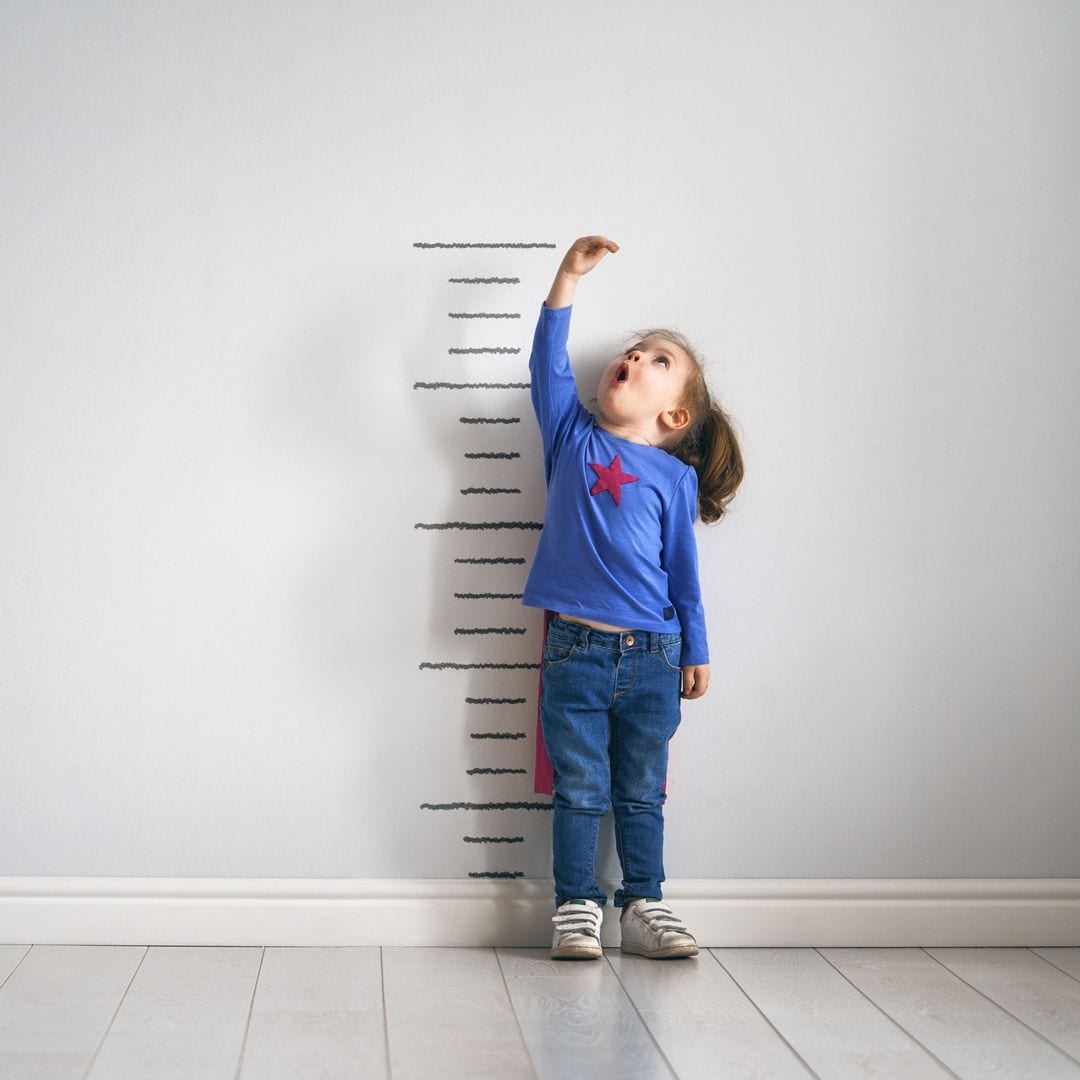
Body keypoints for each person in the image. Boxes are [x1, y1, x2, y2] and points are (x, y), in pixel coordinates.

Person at [521, 235, 744, 960]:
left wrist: (697, 650)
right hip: (574, 652)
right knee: (581, 788)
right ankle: (575, 906)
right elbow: (548, 365)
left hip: (654, 655)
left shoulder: (674, 480)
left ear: (675, 418)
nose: (637, 358)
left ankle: (645, 903)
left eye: (659, 361)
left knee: (642, 791)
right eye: (635, 351)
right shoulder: (571, 437)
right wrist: (567, 277)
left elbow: (684, 576)